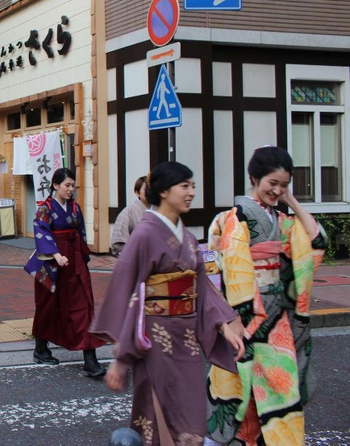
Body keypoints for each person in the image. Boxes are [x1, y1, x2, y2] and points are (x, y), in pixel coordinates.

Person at [90, 161, 244, 445]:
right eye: (184, 186)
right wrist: (121, 357)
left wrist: (224, 324)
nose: (191, 193)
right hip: (156, 336)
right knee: (157, 408)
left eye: (192, 186)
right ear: (163, 191)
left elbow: (202, 288)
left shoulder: (185, 237)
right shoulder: (146, 234)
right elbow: (126, 291)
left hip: (185, 336)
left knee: (190, 408)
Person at [205, 146, 324, 446]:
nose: (278, 190)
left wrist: (292, 202)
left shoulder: (283, 221)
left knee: (278, 394)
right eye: (273, 183)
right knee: (242, 394)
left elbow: (315, 243)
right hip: (243, 319)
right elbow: (229, 268)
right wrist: (235, 320)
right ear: (254, 178)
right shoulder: (233, 217)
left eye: (284, 185)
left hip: (277, 323)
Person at [24, 168, 107, 377]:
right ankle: (41, 348)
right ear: (55, 185)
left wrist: (83, 256)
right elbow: (41, 230)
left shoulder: (75, 208)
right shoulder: (45, 208)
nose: (71, 189)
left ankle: (90, 358)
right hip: (52, 263)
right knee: (48, 306)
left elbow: (81, 232)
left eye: (73, 185)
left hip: (75, 262)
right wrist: (55, 253)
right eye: (67, 185)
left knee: (84, 305)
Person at [110, 176, 150, 255]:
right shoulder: (128, 212)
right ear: (137, 192)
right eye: (146, 190)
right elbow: (118, 243)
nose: (149, 192)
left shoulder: (158, 211)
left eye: (152, 189)